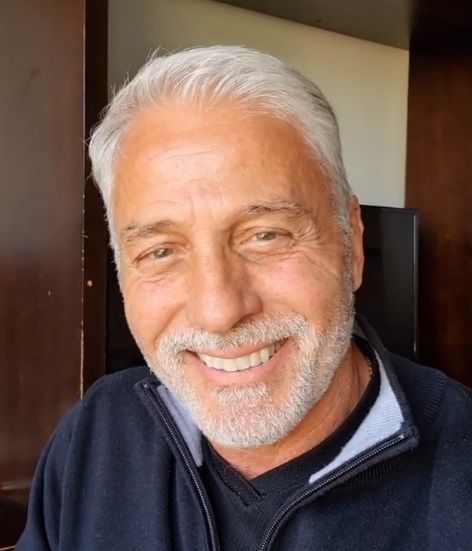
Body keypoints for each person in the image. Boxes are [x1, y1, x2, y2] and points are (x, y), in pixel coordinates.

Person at [17, 46, 472, 551]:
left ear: (353, 245)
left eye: (266, 235)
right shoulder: (96, 434)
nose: (218, 312)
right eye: (161, 251)